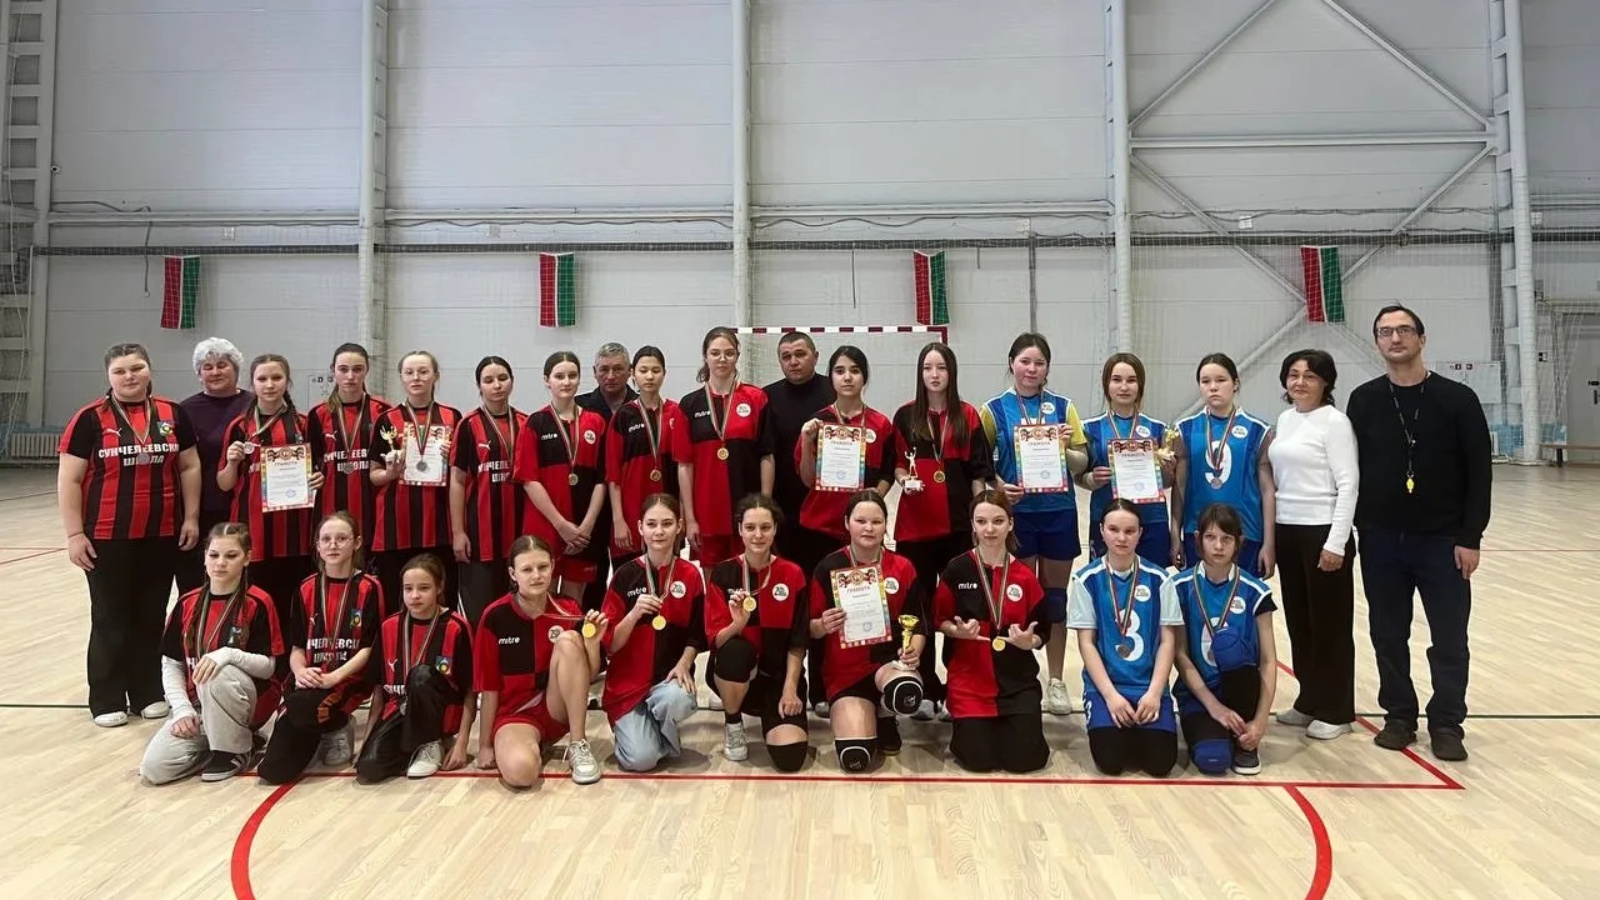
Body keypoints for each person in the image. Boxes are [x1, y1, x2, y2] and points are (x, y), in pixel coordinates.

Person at [1346, 304, 1491, 762]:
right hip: (1381, 540)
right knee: (1388, 634)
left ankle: (1447, 722)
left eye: (1404, 330)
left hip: (1443, 541)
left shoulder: (1458, 399)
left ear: (1421, 339)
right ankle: (1399, 716)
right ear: (1377, 342)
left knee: (1449, 638)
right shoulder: (1364, 400)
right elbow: (1351, 470)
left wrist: (1471, 536)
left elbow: (1480, 472)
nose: (1395, 338)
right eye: (1385, 331)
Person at [59, 342, 201, 728]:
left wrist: (191, 517)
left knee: (152, 615)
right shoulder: (89, 419)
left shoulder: (173, 413)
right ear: (109, 376)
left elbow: (189, 466)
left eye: (136, 368)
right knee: (111, 616)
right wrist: (74, 534)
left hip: (162, 533)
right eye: (120, 371)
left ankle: (147, 692)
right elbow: (69, 479)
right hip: (106, 538)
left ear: (149, 370)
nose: (129, 376)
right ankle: (106, 697)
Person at [980, 332, 1089, 716]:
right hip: (1019, 517)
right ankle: (1017, 678)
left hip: (1058, 513)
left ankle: (1056, 680)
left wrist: (1066, 448)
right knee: (1018, 599)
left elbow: (1081, 462)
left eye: (1039, 363)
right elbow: (981, 463)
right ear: (1011, 363)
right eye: (1025, 361)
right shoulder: (993, 410)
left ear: (1047, 368)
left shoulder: (1064, 407)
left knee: (1055, 600)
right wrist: (998, 485)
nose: (1031, 369)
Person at [140, 523, 286, 784]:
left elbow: (267, 668)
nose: (220, 563)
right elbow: (172, 664)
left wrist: (228, 654)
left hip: (245, 700)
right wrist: (182, 710)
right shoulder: (187, 602)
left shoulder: (258, 602)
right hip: (197, 705)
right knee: (155, 769)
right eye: (214, 555)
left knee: (215, 672)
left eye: (231, 556)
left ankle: (234, 750)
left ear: (247, 558)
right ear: (205, 557)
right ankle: (229, 740)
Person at [891, 341, 992, 721]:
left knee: (958, 608)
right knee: (917, 608)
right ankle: (924, 683)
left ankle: (956, 687)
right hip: (915, 529)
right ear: (920, 374)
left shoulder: (967, 415)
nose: (934, 375)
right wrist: (904, 480)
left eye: (941, 368)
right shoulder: (905, 416)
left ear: (952, 373)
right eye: (927, 368)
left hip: (958, 528)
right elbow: (897, 464)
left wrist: (979, 523)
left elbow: (979, 474)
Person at [795, 346, 895, 717]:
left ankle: (864, 682)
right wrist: (808, 441)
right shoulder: (817, 422)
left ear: (864, 377)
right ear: (831, 377)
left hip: (860, 534)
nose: (847, 377)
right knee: (821, 615)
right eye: (840, 370)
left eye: (855, 370)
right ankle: (819, 690)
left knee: (863, 607)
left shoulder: (880, 425)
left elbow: (887, 474)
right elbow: (807, 478)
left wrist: (867, 505)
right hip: (817, 530)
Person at [1265, 349, 1358, 741]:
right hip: (1289, 530)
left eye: (1310, 376)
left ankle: (1337, 710)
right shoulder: (1285, 420)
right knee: (1300, 622)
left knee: (1329, 625)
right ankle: (1310, 699)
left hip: (1323, 531)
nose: (1300, 382)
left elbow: (1349, 484)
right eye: (1293, 374)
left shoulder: (1335, 422)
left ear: (1326, 382)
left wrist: (1336, 542)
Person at [258, 512, 387, 784]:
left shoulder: (370, 587)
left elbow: (369, 648)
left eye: (341, 538)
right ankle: (320, 729)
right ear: (317, 545)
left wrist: (334, 677)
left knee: (303, 705)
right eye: (326, 539)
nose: (333, 545)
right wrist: (300, 671)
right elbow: (296, 647)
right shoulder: (305, 588)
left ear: (357, 543)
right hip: (309, 680)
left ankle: (339, 723)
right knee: (273, 771)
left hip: (347, 679)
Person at [472, 535, 607, 788]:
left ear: (553, 567)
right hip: (516, 715)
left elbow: (587, 676)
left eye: (543, 567)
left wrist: (592, 644)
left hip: (556, 711)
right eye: (527, 569)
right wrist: (485, 745)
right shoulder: (494, 617)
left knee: (568, 641)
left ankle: (578, 743)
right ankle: (529, 745)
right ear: (513, 574)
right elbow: (488, 687)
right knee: (522, 774)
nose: (536, 575)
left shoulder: (569, 609)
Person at [807, 491, 925, 773]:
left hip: (888, 665)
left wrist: (914, 651)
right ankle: (874, 715)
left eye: (876, 521)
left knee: (906, 693)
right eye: (860, 521)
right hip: (845, 672)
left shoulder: (903, 567)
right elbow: (808, 630)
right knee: (856, 758)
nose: (869, 528)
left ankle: (885, 711)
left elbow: (919, 625)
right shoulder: (828, 567)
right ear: (846, 523)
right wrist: (822, 625)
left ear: (886, 524)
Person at [933, 490, 1049, 774]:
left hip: (1017, 682)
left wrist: (1029, 642)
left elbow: (1043, 629)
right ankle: (970, 725)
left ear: (1010, 524)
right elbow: (939, 619)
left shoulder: (1025, 576)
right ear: (972, 525)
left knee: (1025, 760)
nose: (989, 529)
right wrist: (956, 631)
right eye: (981, 521)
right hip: (970, 681)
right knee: (979, 760)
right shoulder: (957, 569)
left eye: (998, 521)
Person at [1068, 500, 1180, 778]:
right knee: (1111, 762)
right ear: (1101, 531)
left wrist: (1154, 693)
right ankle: (1117, 725)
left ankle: (1140, 727)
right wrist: (1111, 697)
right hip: (1106, 688)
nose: (1121, 538)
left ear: (1140, 533)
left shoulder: (1160, 579)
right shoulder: (1085, 580)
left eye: (1129, 531)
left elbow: (1168, 641)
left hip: (1148, 686)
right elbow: (1086, 644)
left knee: (1160, 765)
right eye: (1114, 529)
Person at [598, 495, 707, 771]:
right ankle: (642, 731)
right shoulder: (624, 576)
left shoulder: (691, 575)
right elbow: (611, 645)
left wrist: (684, 664)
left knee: (679, 700)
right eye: (652, 524)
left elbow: (696, 635)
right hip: (627, 686)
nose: (659, 531)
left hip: (667, 680)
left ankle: (653, 726)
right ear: (640, 527)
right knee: (641, 760)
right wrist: (633, 614)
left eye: (667, 524)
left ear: (679, 526)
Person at [705, 494, 811, 771]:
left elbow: (798, 642)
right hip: (739, 674)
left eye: (765, 527)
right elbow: (716, 641)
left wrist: (790, 689)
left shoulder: (793, 574)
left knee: (790, 758)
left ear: (775, 529)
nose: (758, 535)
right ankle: (733, 722)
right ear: (740, 529)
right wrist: (738, 624)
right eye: (750, 527)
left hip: (779, 678)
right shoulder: (723, 573)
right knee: (735, 651)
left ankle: (774, 712)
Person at [1173, 504, 1279, 777]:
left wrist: (1260, 722)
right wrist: (1214, 707)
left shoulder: (1255, 591)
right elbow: (1180, 656)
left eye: (1226, 539)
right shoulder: (1179, 587)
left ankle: (1245, 736)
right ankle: (1220, 732)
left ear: (1238, 542)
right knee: (1213, 760)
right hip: (1199, 695)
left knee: (1229, 644)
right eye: (1210, 537)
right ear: (1198, 539)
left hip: (1242, 691)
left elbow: (1268, 661)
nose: (1218, 546)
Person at [217, 353, 323, 623]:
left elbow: (317, 472)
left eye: (277, 377)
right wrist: (232, 462)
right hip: (252, 529)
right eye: (262, 378)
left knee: (292, 605)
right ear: (252, 383)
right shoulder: (239, 427)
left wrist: (317, 480)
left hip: (294, 532)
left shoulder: (303, 424)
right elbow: (224, 483)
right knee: (253, 606)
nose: (270, 384)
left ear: (287, 381)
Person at [357, 553, 475, 782]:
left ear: (439, 588)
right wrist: (368, 739)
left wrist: (462, 744)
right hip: (400, 711)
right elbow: (379, 690)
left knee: (420, 675)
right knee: (368, 768)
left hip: (442, 713)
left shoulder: (456, 626)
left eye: (424, 588)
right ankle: (412, 748)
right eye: (408, 589)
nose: (415, 596)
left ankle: (433, 742)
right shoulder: (389, 626)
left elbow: (471, 689)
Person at [369, 351, 464, 606]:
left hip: (440, 525)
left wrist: (452, 457)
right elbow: (373, 475)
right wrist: (390, 473)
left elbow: (463, 473)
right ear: (401, 377)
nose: (416, 378)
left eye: (423, 372)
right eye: (409, 372)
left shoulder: (453, 417)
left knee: (442, 602)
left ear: (436, 376)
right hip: (395, 527)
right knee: (395, 604)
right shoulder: (386, 420)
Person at [514, 351, 609, 604]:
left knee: (573, 601)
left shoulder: (596, 422)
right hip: (546, 525)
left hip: (583, 528)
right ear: (547, 380)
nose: (566, 382)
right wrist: (560, 524)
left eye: (572, 375)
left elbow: (602, 480)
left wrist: (587, 525)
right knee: (540, 595)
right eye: (559, 376)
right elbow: (529, 480)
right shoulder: (535, 423)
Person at [676, 327, 775, 565]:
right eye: (715, 353)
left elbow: (767, 456)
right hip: (707, 511)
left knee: (750, 574)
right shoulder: (689, 404)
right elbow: (685, 465)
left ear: (737, 356)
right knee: (713, 580)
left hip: (748, 509)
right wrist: (690, 518)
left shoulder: (756, 398)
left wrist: (765, 506)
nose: (722, 359)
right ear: (705, 356)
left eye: (729, 353)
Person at [1173, 353, 1275, 577]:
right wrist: (1175, 536)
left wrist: (1270, 543)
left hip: (1246, 533)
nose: (1213, 387)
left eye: (1221, 380)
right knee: (1198, 595)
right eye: (1205, 381)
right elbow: (1179, 486)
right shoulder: (1184, 429)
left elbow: (1267, 490)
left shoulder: (1259, 430)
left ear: (1235, 384)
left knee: (1242, 596)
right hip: (1197, 532)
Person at [451, 356, 529, 626]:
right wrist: (458, 532)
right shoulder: (468, 425)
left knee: (516, 612)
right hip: (479, 535)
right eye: (489, 380)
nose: (497, 385)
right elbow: (458, 480)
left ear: (512, 382)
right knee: (481, 616)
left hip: (519, 532)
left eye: (502, 378)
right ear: (479, 386)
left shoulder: (526, 422)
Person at [1080, 353, 1176, 564]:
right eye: (1117, 380)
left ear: (1140, 385)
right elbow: (1079, 476)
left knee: (1152, 580)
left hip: (1151, 519)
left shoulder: (1158, 429)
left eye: (1131, 380)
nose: (1124, 387)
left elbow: (1167, 482)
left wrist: (1169, 471)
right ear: (1106, 384)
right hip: (1108, 520)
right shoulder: (1089, 428)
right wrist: (1092, 479)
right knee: (1106, 580)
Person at [176, 337, 253, 593]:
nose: (215, 372)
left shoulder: (255, 405)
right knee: (198, 582)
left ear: (236, 368)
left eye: (222, 365)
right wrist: (190, 516)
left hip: (246, 506)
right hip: (202, 508)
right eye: (207, 367)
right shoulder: (185, 410)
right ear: (199, 374)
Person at [576, 342, 639, 611]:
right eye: (603, 370)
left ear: (630, 371)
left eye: (617, 369)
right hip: (592, 507)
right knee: (593, 581)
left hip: (632, 505)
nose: (610, 376)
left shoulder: (642, 406)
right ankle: (591, 635)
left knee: (632, 578)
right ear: (594, 372)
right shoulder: (579, 407)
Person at [763, 332, 835, 566]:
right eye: (786, 357)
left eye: (800, 354)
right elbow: (765, 454)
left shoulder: (835, 391)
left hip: (827, 505)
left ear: (816, 356)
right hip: (784, 506)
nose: (793, 361)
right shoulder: (766, 397)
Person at [607, 346, 682, 568]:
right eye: (643, 370)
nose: (649, 376)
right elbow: (613, 474)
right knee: (631, 578)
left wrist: (683, 515)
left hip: (668, 512)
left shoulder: (676, 412)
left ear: (664, 374)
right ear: (633, 374)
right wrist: (618, 520)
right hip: (630, 513)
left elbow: (685, 468)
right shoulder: (623, 416)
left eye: (655, 371)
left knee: (666, 575)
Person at [307, 342, 388, 542]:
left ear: (367, 370)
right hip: (330, 504)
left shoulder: (383, 411)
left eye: (357, 369)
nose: (350, 376)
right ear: (333, 371)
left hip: (372, 505)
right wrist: (312, 476)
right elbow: (311, 461)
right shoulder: (318, 414)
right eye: (343, 369)